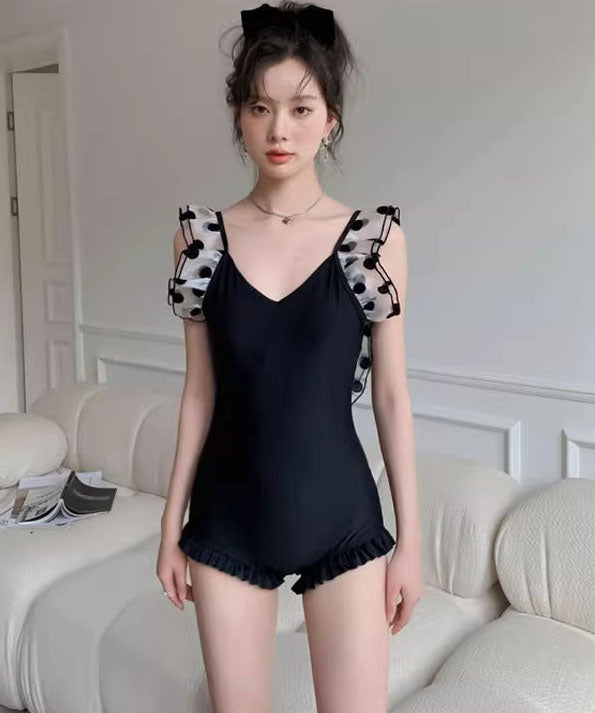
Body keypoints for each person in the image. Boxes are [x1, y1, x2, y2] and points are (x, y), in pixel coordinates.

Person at [157, 2, 423, 711]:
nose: (279, 129)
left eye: (301, 109)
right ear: (239, 117)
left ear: (330, 118)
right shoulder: (199, 240)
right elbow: (199, 393)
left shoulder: (374, 240)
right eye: (260, 107)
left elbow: (392, 397)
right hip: (225, 522)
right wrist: (170, 525)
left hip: (342, 520)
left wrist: (412, 543)